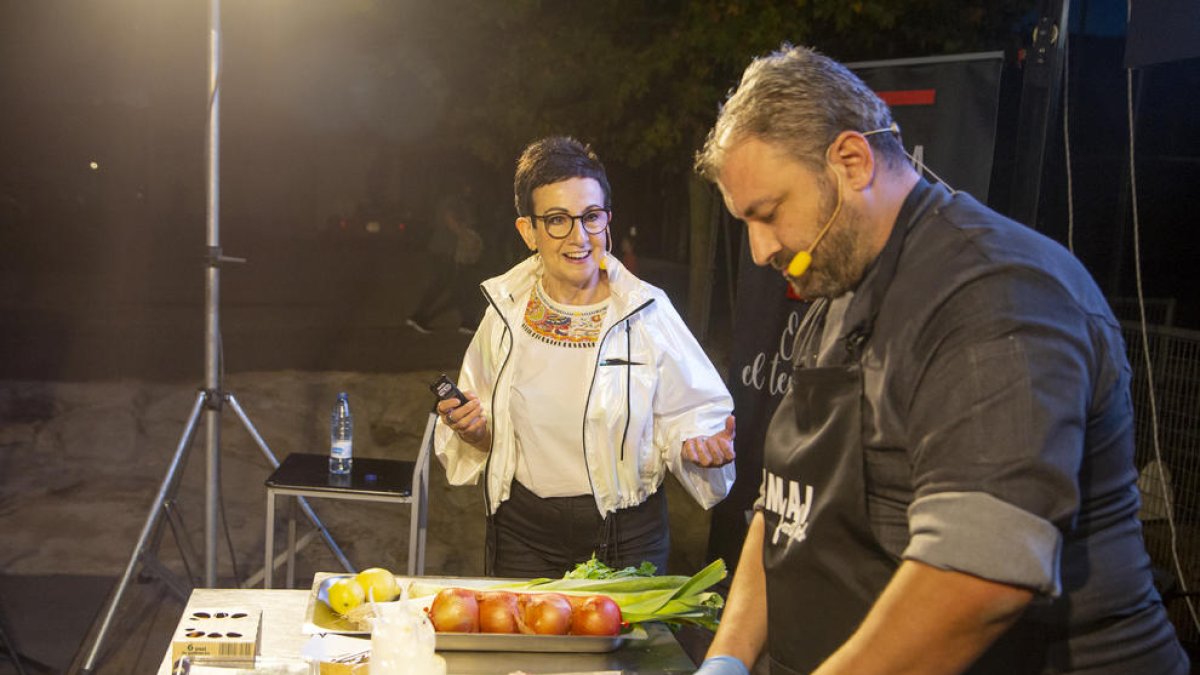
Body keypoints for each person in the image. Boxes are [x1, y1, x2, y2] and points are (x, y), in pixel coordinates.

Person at [692, 45, 1190, 674]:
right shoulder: (839, 291)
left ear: (851, 160)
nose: (760, 249)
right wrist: (729, 660)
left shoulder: (995, 293)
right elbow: (788, 506)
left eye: (768, 214)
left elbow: (976, 583)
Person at [433, 136, 737, 578]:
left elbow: (695, 414)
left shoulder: (646, 312)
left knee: (627, 651)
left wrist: (700, 444)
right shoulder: (505, 312)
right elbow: (482, 428)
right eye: (557, 220)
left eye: (591, 217)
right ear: (528, 232)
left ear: (607, 221)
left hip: (626, 538)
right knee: (524, 647)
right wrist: (476, 431)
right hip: (523, 536)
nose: (579, 237)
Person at [406, 192, 486, 334]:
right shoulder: (452, 200)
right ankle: (419, 317)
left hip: (443, 250)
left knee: (453, 287)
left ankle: (466, 322)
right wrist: (464, 235)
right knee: (446, 285)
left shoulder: (449, 199)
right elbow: (450, 219)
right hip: (444, 250)